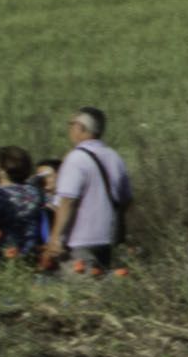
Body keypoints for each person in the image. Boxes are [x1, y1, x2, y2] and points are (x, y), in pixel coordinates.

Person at [47, 109, 133, 275]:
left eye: (71, 124)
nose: (69, 129)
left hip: (79, 241)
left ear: (80, 128)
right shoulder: (115, 157)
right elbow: (127, 200)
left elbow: (67, 201)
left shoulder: (76, 158)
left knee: (81, 286)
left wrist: (55, 238)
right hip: (109, 239)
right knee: (104, 283)